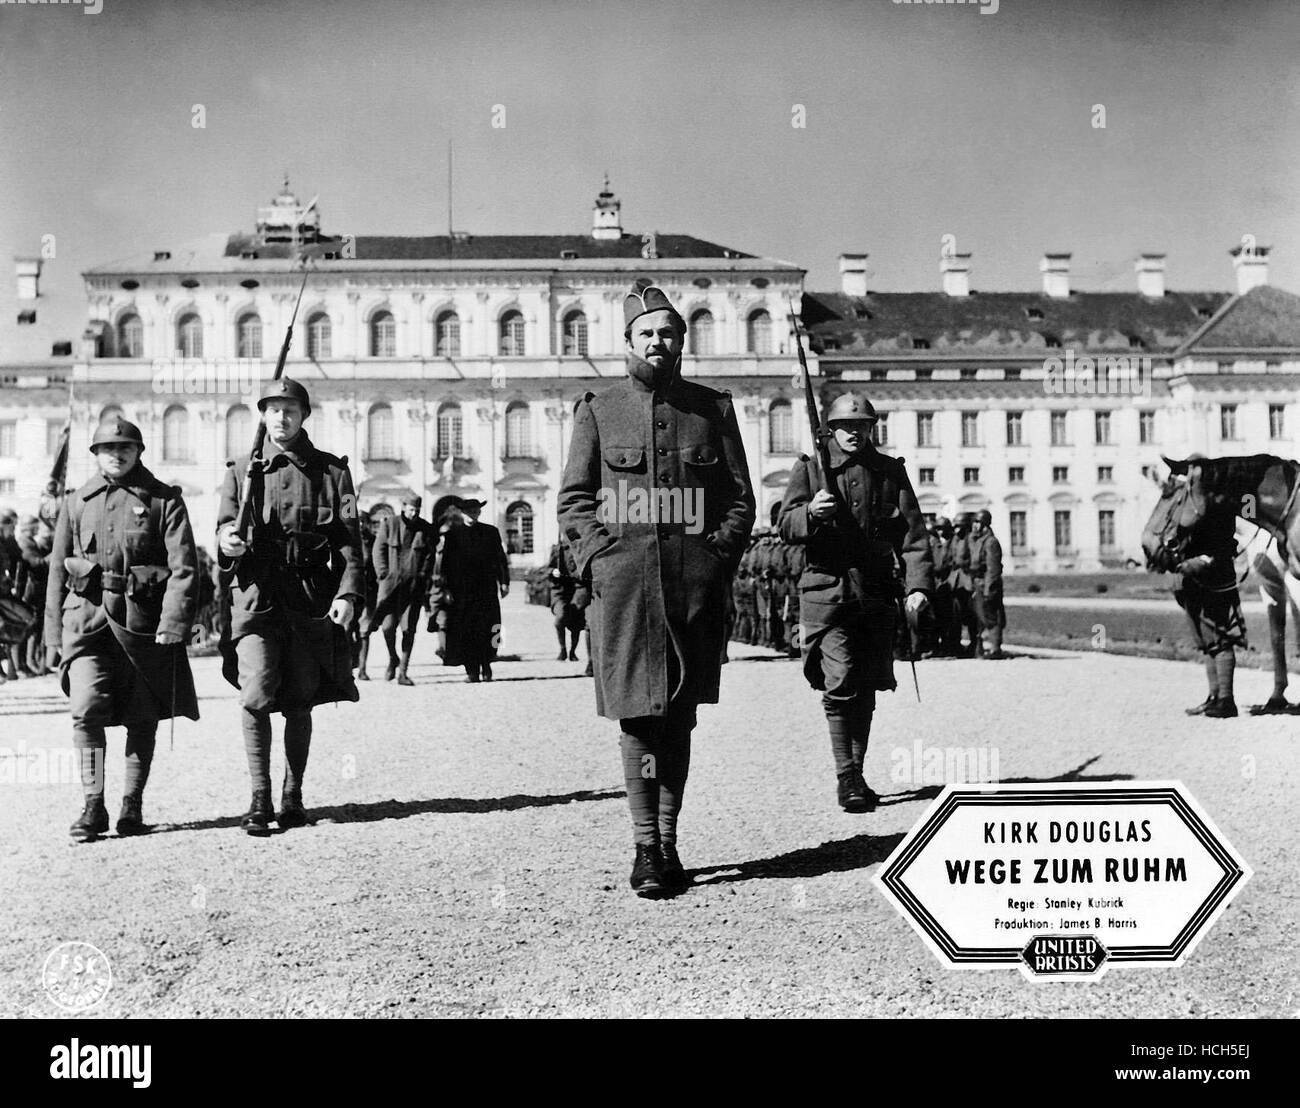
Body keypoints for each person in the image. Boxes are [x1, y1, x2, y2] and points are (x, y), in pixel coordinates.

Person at [558, 278, 756, 898]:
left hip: (692, 590)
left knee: (681, 716)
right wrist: (600, 558)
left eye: (668, 334)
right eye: (646, 334)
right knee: (639, 721)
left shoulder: (712, 409)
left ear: (682, 341)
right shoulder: (597, 409)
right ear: (627, 342)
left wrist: (714, 558)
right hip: (625, 592)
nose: (658, 343)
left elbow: (739, 501)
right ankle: (647, 847)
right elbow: (574, 500)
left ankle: (670, 840)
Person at [216, 377, 363, 835]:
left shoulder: (331, 473)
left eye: (290, 409)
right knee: (255, 694)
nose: (281, 417)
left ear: (304, 415)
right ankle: (259, 797)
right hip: (258, 601)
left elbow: (350, 544)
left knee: (300, 700)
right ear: (262, 414)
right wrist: (229, 541)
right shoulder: (242, 470)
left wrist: (347, 593)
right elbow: (222, 531)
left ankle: (292, 793)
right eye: (273, 409)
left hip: (309, 602)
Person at [43, 417, 199, 841]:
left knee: (142, 716)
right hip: (88, 623)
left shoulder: (163, 500)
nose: (116, 453)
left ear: (139, 451)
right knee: (85, 710)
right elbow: (57, 569)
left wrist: (173, 623)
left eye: (125, 447)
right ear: (95, 454)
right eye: (107, 448)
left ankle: (132, 804)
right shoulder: (77, 501)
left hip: (143, 624)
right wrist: (53, 635)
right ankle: (93, 805)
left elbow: (185, 569)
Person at [778, 392, 933, 813]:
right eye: (846, 427)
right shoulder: (811, 469)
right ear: (831, 428)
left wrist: (918, 585)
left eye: (862, 426)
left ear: (871, 429)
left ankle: (857, 773)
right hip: (827, 595)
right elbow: (784, 525)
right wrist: (810, 512)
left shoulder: (889, 472)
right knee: (841, 679)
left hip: (875, 594)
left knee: (867, 684)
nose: (854, 434)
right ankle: (845, 774)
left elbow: (913, 535)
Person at [1173, 460, 1245, 719]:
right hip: (1191, 581)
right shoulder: (1190, 503)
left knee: (1220, 636)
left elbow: (1222, 546)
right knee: (1205, 640)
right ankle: (1214, 696)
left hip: (1215, 578)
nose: (1190, 477)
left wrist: (1197, 562)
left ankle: (1227, 700)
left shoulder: (1221, 504)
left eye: (1193, 472)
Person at [436, 498, 509, 682]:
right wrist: (445, 589)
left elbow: (500, 559)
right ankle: (472, 670)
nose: (473, 515)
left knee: (491, 628)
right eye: (469, 512)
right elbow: (445, 566)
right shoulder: (452, 535)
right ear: (462, 513)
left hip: (486, 590)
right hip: (462, 593)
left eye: (476, 511)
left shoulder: (490, 532)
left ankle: (487, 663)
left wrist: (504, 582)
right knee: (465, 631)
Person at [366, 493, 434, 685]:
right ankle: (393, 658)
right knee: (387, 628)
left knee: (408, 630)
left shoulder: (425, 529)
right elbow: (378, 550)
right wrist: (383, 574)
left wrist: (422, 575)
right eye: (411, 509)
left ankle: (403, 671)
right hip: (390, 588)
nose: (414, 513)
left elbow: (430, 556)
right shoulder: (389, 524)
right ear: (403, 507)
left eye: (417, 510)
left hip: (413, 590)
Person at [969, 509, 1006, 659]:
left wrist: (989, 590)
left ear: (985, 524)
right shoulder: (978, 540)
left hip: (988, 583)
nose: (975, 526)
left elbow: (993, 568)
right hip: (978, 582)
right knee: (981, 615)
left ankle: (995, 649)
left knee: (993, 616)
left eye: (978, 523)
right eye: (975, 522)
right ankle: (981, 648)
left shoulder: (991, 542)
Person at [351, 508, 382, 680]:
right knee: (346, 629)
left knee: (364, 631)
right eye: (358, 521)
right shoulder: (346, 540)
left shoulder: (373, 541)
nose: (361, 525)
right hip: (348, 592)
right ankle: (348, 666)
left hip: (368, 592)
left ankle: (362, 669)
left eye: (364, 522)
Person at [547, 540, 586, 661]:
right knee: (560, 617)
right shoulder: (557, 549)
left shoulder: (581, 547)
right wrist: (553, 572)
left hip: (576, 590)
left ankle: (572, 651)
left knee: (576, 622)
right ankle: (562, 648)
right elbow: (547, 569)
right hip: (559, 592)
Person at [928, 517, 956, 656]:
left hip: (949, 583)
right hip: (936, 583)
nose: (940, 532)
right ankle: (934, 647)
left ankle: (948, 646)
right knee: (934, 617)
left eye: (942, 529)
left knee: (948, 618)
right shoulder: (934, 543)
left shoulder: (953, 543)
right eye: (937, 529)